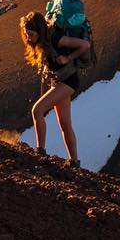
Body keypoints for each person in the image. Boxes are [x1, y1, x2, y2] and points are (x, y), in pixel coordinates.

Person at [20, 10, 89, 168]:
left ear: (39, 31)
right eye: (26, 34)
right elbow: (46, 69)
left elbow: (85, 45)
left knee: (36, 111)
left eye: (30, 34)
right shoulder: (41, 43)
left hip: (68, 81)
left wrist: (68, 58)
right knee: (65, 124)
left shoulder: (56, 38)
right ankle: (74, 162)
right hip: (57, 82)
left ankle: (40, 152)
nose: (28, 38)